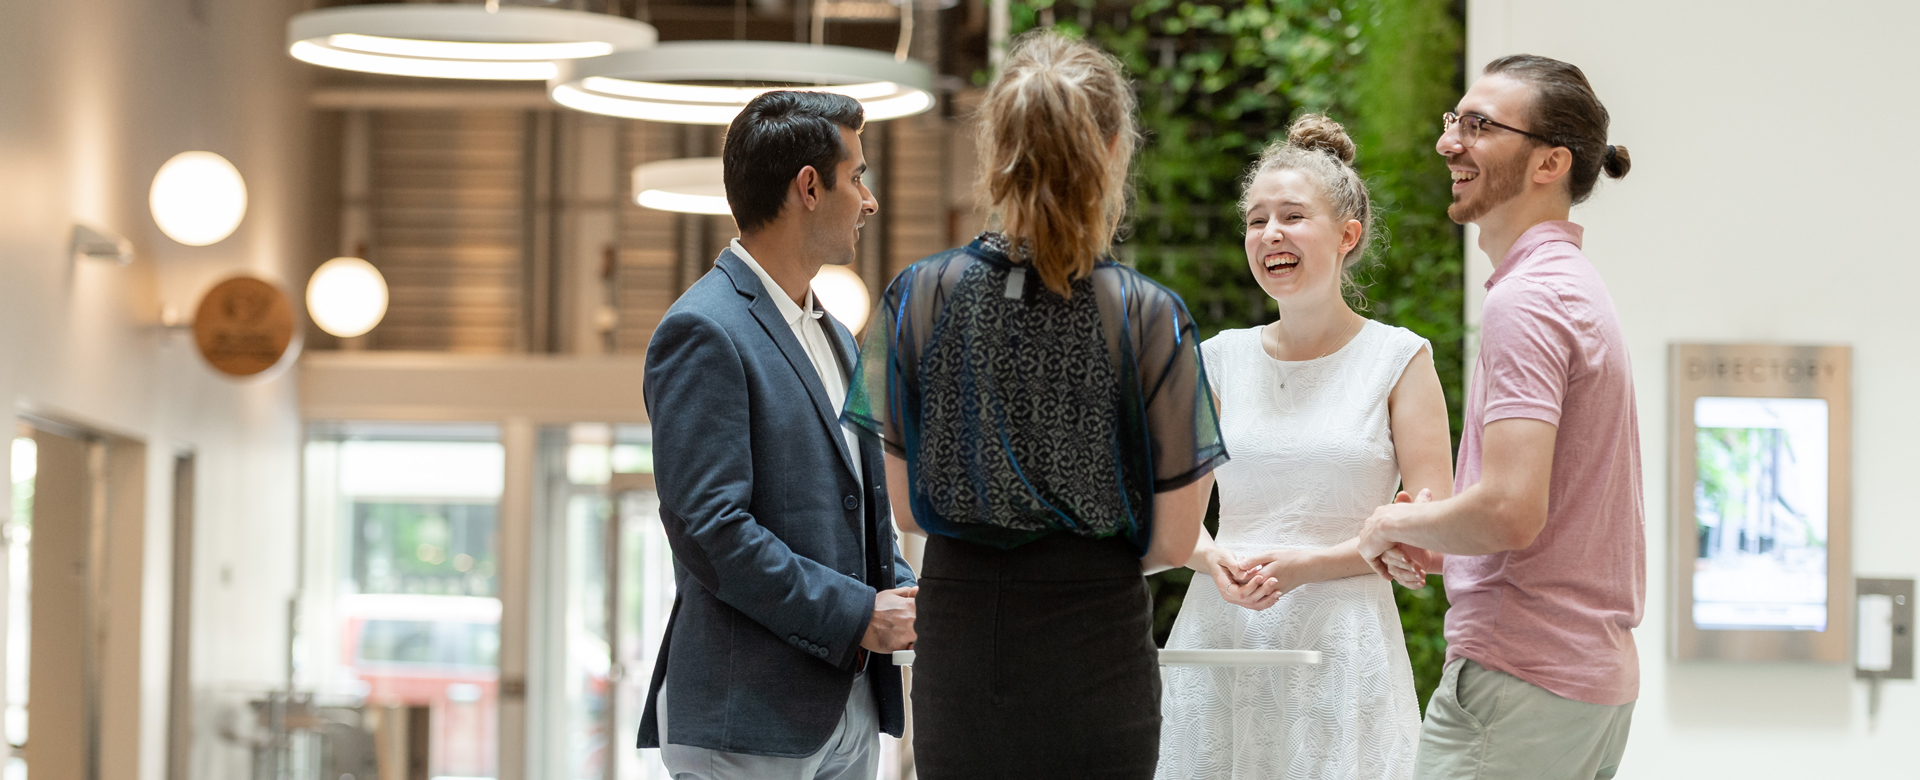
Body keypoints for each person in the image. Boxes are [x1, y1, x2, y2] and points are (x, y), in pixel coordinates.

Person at [841, 30, 1226, 780]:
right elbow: (1178, 541)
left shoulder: (919, 298)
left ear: (995, 151)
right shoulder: (1148, 316)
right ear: (1114, 150)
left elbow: (909, 509)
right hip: (1097, 642)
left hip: (961, 640)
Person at [1356, 54, 1641, 780]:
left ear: (1550, 162)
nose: (1449, 142)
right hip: (1576, 683)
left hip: (1521, 677)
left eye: (1479, 126)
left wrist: (1392, 524)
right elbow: (1537, 509)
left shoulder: (1529, 300)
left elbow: (1512, 510)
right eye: (1455, 120)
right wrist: (1443, 532)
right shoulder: (1571, 286)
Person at [1154, 115, 1455, 779]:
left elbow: (1434, 537)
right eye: (1256, 220)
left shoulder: (1400, 359)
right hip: (1223, 635)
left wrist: (1306, 566)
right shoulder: (1216, 361)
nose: (1271, 235)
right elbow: (1168, 517)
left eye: (1293, 216)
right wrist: (1213, 559)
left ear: (1348, 235)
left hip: (1345, 648)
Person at [638, 89, 919, 780]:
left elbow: (860, 511)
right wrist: (858, 614)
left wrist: (907, 593)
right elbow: (711, 530)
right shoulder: (703, 329)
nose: (870, 199)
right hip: (747, 715)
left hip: (844, 709)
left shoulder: (835, 336)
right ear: (809, 187)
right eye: (858, 176)